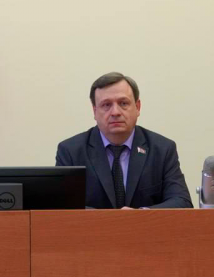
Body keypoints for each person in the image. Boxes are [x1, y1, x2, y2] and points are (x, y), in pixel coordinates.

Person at [55, 72, 192, 209]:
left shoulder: (162, 149)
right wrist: (110, 219)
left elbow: (182, 202)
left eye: (123, 103)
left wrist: (140, 215)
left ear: (137, 107)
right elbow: (60, 206)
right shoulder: (70, 152)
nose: (115, 112)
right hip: (94, 224)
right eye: (106, 105)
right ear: (95, 111)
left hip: (144, 223)